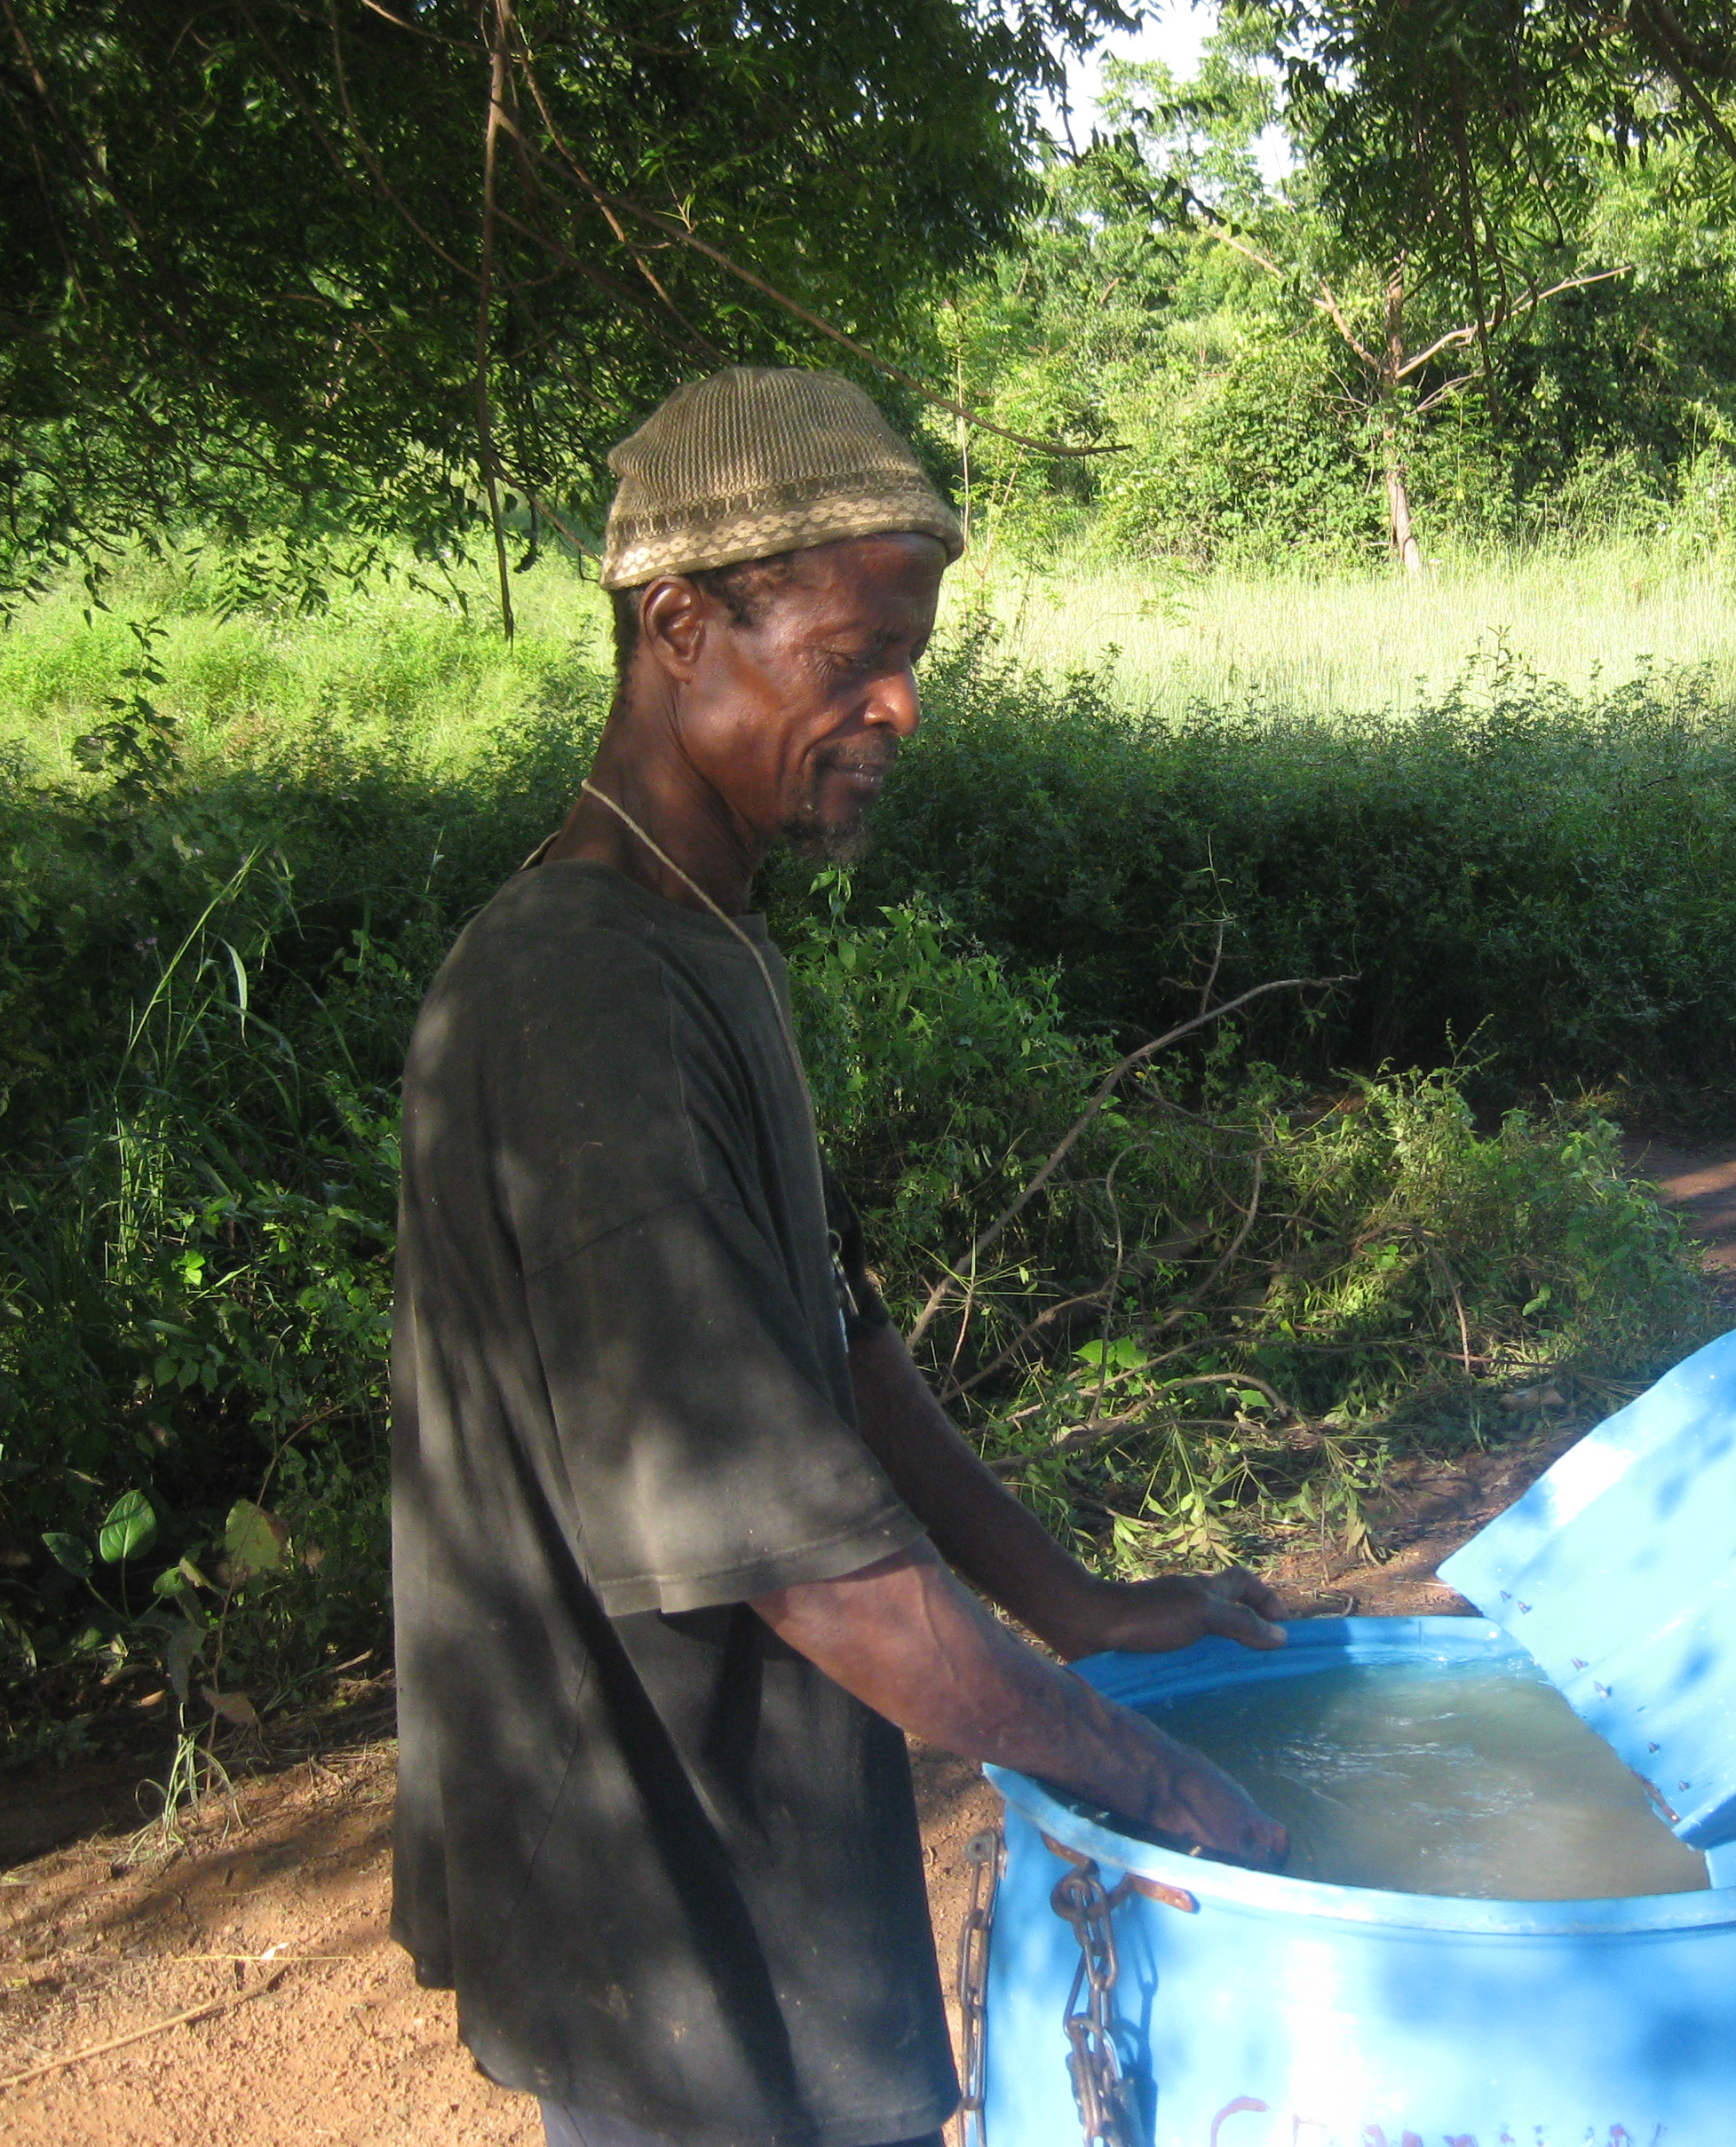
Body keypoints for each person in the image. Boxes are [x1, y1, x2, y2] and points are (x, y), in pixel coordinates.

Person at [389, 367, 1290, 2147]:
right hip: (659, 1881)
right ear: (681, 627)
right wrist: (1166, 1782)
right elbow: (803, 1566)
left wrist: (1085, 1613)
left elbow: (835, 1335)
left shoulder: (694, 931)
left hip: (750, 1827)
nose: (896, 707)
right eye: (848, 657)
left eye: (915, 659)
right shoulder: (585, 1001)